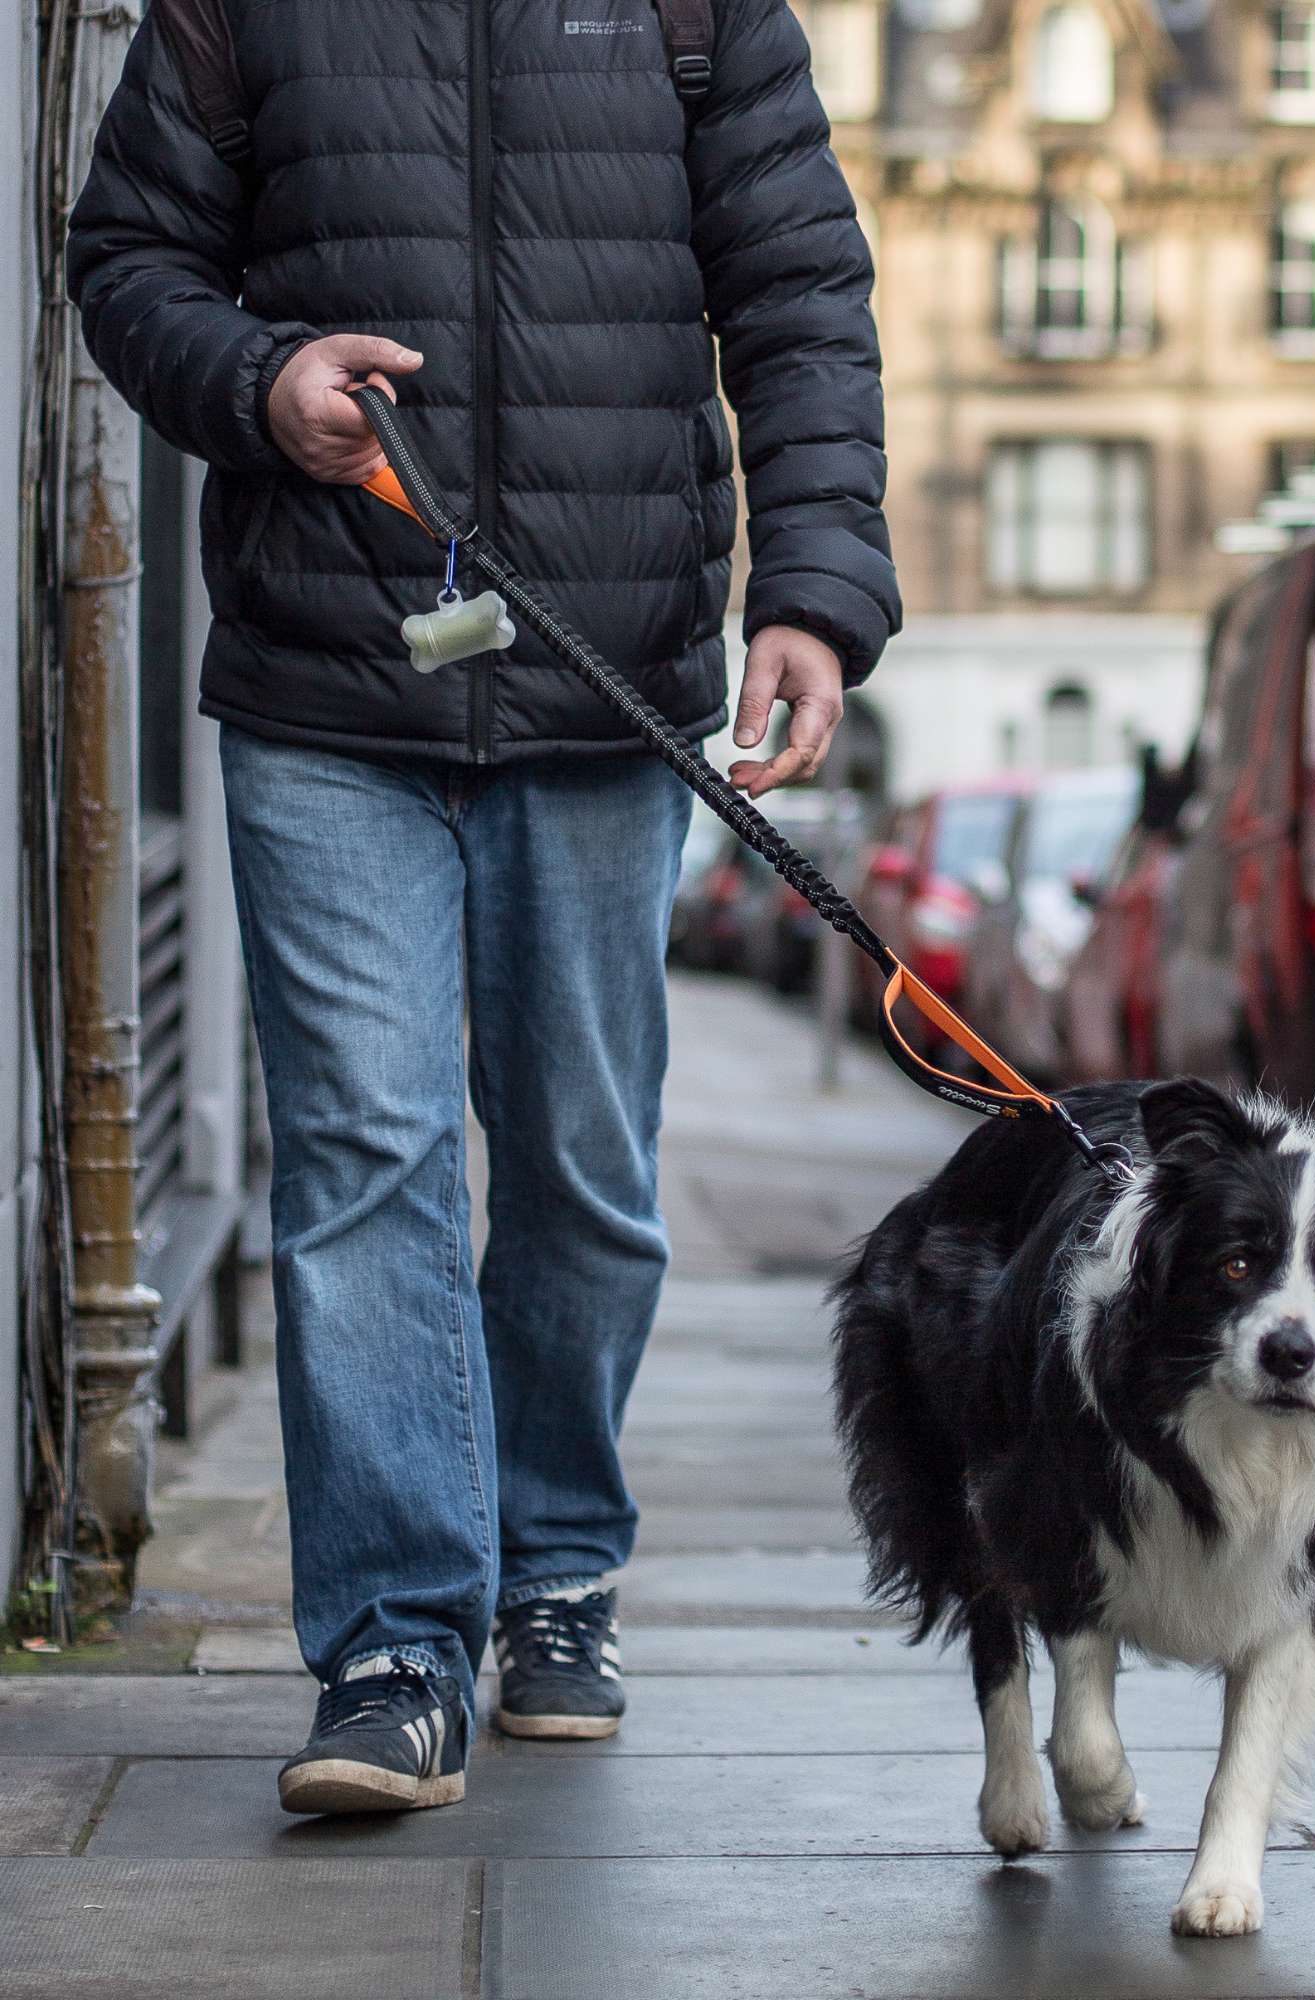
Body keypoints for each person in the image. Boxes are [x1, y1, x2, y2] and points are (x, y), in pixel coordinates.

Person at [66, 0, 898, 1815]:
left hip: (607, 688)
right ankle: (393, 1644)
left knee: (584, 1169)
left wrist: (817, 594)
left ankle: (560, 1574)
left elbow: (800, 297)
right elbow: (126, 258)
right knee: (365, 1156)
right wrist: (256, 380)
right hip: (322, 678)